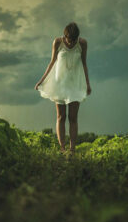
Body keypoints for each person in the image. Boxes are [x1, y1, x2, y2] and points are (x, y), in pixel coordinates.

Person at [35, 21, 92, 156]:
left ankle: (72, 150)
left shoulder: (82, 43)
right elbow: (52, 62)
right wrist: (41, 81)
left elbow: (84, 64)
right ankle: (62, 148)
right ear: (64, 36)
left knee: (73, 117)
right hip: (59, 84)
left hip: (75, 84)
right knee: (61, 116)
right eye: (69, 39)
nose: (71, 42)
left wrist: (88, 84)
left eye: (74, 40)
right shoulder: (57, 42)